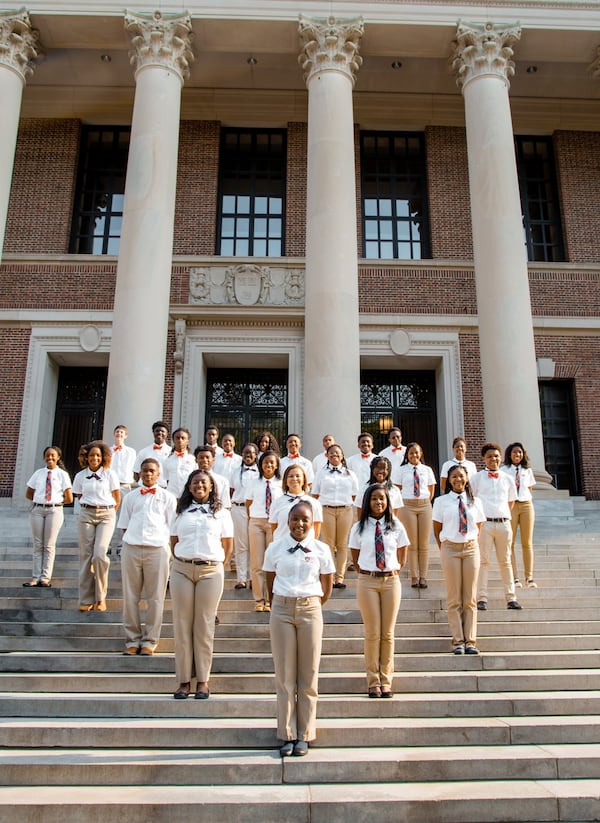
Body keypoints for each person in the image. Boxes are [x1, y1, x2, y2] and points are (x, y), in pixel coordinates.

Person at [264, 501, 335, 757]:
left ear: (312, 521)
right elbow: (270, 579)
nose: (299, 524)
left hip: (310, 609)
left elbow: (326, 586)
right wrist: (281, 604)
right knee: (284, 675)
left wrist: (311, 602)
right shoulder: (275, 548)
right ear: (288, 521)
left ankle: (305, 733)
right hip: (282, 610)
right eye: (295, 519)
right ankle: (287, 733)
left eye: (305, 519)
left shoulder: (321, 549)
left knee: (308, 675)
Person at [170, 469, 234, 699]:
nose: (199, 486)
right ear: (189, 487)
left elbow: (227, 545)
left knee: (205, 626)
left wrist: (217, 564)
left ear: (211, 487)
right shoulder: (180, 511)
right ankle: (184, 680)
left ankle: (203, 680)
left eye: (204, 483)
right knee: (182, 624)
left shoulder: (222, 514)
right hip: (182, 569)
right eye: (195, 482)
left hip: (210, 570)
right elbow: (173, 540)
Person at [349, 484, 408, 698]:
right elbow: (354, 556)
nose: (378, 503)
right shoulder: (359, 528)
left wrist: (396, 568)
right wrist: (366, 571)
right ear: (367, 502)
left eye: (382, 499)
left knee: (388, 633)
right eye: (374, 499)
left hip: (391, 581)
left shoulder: (396, 525)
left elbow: (403, 552)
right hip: (368, 581)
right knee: (373, 633)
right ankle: (373, 680)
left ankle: (386, 679)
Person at [118, 458, 177, 655]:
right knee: (130, 597)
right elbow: (124, 524)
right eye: (145, 471)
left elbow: (172, 526)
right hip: (132, 547)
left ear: (158, 474)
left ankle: (150, 640)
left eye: (152, 471)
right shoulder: (131, 497)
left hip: (157, 549)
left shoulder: (168, 497)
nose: (148, 474)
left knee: (156, 598)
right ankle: (132, 640)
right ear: (140, 473)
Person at [432, 464, 486, 655]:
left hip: (471, 549)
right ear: (449, 480)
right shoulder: (440, 502)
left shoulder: (475, 502)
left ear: (466, 478)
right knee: (454, 597)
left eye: (461, 476)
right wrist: (446, 547)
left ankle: (471, 641)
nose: (457, 480)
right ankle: (457, 641)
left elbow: (478, 527)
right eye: (453, 477)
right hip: (450, 549)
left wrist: (469, 543)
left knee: (470, 597)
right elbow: (437, 527)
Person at [72, 440, 120, 612]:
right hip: (86, 514)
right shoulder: (80, 476)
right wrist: (89, 507)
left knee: (99, 555)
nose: (94, 458)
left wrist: (108, 511)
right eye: (91, 455)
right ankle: (86, 599)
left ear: (103, 457)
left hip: (106, 515)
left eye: (98, 455)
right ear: (86, 457)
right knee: (86, 556)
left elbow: (116, 497)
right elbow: (79, 495)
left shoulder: (109, 474)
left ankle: (101, 598)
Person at [472, 442, 521, 611]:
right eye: (490, 456)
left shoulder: (508, 479)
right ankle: (482, 597)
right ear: (483, 459)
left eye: (496, 456)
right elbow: (472, 501)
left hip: (503, 524)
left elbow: (511, 501)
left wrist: (503, 515)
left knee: (505, 561)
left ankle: (511, 597)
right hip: (485, 524)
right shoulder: (476, 478)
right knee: (483, 561)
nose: (494, 459)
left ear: (501, 458)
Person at [24, 446, 73, 588]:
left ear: (58, 457)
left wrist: (55, 502)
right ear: (44, 457)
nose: (50, 458)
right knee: (38, 544)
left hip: (54, 510)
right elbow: (29, 493)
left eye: (53, 456)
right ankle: (35, 577)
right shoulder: (38, 473)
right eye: (47, 455)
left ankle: (45, 577)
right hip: (38, 510)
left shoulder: (62, 475)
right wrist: (40, 500)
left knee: (49, 545)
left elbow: (69, 498)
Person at [311, 443, 358, 589]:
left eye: (337, 453)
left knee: (342, 544)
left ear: (342, 455)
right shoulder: (321, 473)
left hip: (345, 510)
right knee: (328, 544)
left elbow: (355, 494)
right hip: (327, 510)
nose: (334, 455)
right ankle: (329, 576)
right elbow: (315, 494)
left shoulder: (350, 474)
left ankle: (340, 577)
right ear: (327, 456)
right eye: (331, 453)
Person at [245, 449, 282, 612]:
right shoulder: (254, 481)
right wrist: (254, 518)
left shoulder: (281, 483)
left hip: (275, 524)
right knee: (257, 562)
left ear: (276, 465)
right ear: (261, 465)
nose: (268, 465)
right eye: (266, 462)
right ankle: (259, 599)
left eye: (271, 462)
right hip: (257, 522)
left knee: (273, 562)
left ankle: (271, 599)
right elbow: (248, 503)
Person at [397, 442, 436, 589]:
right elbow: (397, 489)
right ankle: (414, 576)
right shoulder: (402, 470)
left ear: (421, 454)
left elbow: (431, 490)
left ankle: (423, 576)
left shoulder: (427, 470)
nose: (414, 455)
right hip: (407, 506)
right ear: (407, 455)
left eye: (417, 453)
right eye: (411, 453)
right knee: (412, 544)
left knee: (424, 544)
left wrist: (423, 501)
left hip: (424, 505)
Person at [502, 441, 537, 589]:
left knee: (527, 542)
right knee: (510, 542)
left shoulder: (526, 470)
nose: (517, 454)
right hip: (511, 506)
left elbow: (529, 489)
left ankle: (529, 578)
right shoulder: (503, 470)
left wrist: (525, 500)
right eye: (515, 452)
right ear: (510, 454)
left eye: (520, 452)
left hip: (526, 505)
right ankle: (515, 578)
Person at [229, 443, 259, 590]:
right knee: (241, 546)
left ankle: (254, 578)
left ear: (256, 455)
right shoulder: (235, 472)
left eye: (251, 453)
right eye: (246, 452)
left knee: (255, 545)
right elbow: (230, 490)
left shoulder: (260, 472)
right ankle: (241, 579)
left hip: (256, 510)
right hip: (239, 509)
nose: (248, 455)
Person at [269, 465, 322, 540]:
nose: (294, 479)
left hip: (306, 548)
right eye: (291, 476)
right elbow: (274, 527)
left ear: (304, 480)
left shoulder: (314, 503)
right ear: (285, 481)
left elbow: (316, 528)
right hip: (283, 547)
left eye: (298, 476)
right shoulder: (276, 503)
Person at [108, 425, 137, 556]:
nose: (119, 434)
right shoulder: (108, 451)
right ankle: (107, 544)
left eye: (122, 432)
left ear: (126, 436)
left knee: (123, 515)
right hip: (110, 486)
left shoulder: (131, 452)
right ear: (114, 434)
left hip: (125, 485)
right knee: (109, 514)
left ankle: (121, 544)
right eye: (117, 432)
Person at [162, 427, 197, 500]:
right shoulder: (167, 460)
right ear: (173, 440)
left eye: (183, 438)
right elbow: (167, 479)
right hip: (171, 496)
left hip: (188, 496)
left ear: (187, 441)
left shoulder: (193, 459)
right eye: (177, 438)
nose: (180, 440)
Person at [133, 421, 171, 486]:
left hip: (165, 488)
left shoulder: (171, 452)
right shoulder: (144, 451)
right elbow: (136, 472)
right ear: (153, 433)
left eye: (162, 431)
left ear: (167, 434)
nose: (159, 433)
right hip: (146, 488)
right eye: (157, 431)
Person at [194, 445, 231, 509]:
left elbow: (226, 506)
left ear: (213, 460)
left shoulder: (223, 481)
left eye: (207, 457)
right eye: (201, 457)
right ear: (196, 460)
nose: (205, 460)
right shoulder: (190, 479)